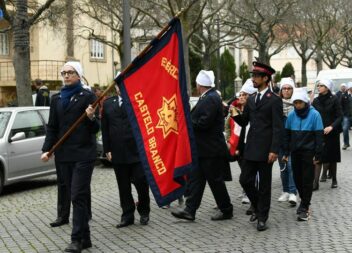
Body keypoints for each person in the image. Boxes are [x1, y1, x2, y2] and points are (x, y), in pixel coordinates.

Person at [41, 61, 99, 253]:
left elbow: (95, 129)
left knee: (77, 195)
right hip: (64, 154)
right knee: (73, 193)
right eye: (63, 73)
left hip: (83, 154)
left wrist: (91, 117)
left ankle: (76, 240)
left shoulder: (88, 96)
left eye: (70, 72)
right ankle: (86, 238)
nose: (66, 76)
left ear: (79, 75)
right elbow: (52, 127)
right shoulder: (56, 99)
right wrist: (47, 149)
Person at [171, 70, 233, 221]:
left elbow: (204, 123)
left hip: (210, 149)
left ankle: (226, 210)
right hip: (204, 149)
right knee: (196, 180)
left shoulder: (210, 99)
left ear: (199, 85)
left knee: (215, 181)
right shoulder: (209, 97)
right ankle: (190, 210)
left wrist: (186, 121)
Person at [231, 61, 283, 231]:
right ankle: (257, 205)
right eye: (253, 76)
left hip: (267, 149)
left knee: (265, 185)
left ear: (265, 78)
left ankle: (262, 217)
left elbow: (277, 127)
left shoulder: (274, 100)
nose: (253, 79)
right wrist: (233, 112)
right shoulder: (252, 99)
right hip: (251, 147)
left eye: (256, 76)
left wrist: (274, 150)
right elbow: (245, 121)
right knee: (244, 179)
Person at [101, 85, 150, 228]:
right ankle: (127, 215)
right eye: (118, 84)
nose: (120, 87)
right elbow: (105, 128)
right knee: (123, 186)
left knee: (141, 182)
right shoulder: (109, 103)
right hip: (118, 152)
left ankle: (144, 211)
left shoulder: (138, 101)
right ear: (116, 87)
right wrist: (107, 149)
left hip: (136, 152)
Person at [283, 88, 323, 221]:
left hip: (308, 152)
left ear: (305, 102)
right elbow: (287, 135)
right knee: (298, 179)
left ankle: (305, 206)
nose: (298, 105)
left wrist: (318, 155)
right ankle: (304, 201)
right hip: (295, 152)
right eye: (295, 103)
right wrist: (285, 152)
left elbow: (319, 136)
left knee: (307, 180)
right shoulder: (291, 116)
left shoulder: (315, 115)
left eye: (300, 102)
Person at [225, 79, 257, 207]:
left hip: (250, 147)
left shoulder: (252, 110)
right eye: (241, 95)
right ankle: (248, 194)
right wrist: (229, 140)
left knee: (248, 174)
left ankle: (252, 199)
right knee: (244, 174)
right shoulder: (235, 109)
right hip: (237, 146)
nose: (242, 97)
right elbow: (228, 126)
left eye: (245, 95)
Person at [312, 79, 343, 190]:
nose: (319, 87)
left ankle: (334, 179)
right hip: (319, 132)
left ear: (327, 88)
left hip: (332, 132)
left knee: (332, 157)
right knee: (318, 156)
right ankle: (315, 183)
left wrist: (331, 126)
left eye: (321, 85)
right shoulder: (315, 100)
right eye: (319, 85)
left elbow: (340, 116)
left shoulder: (334, 99)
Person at [277, 78, 297, 206]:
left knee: (291, 166)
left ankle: (292, 192)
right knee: (283, 166)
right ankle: (285, 190)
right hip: (280, 139)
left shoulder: (297, 104)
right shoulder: (277, 104)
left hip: (293, 139)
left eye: (289, 88)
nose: (286, 91)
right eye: (284, 88)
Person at [340, 82, 352, 150]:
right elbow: (340, 105)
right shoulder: (343, 95)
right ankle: (346, 143)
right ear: (349, 88)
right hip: (346, 116)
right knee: (345, 129)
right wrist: (342, 114)